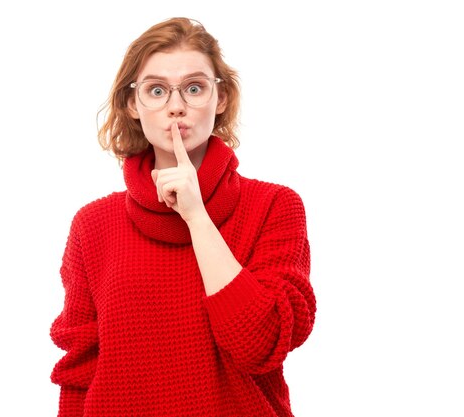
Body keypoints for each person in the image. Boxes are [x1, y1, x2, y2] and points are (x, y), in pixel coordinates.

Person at [50, 17, 317, 417]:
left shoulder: (275, 206)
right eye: (156, 90)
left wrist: (196, 216)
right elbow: (80, 372)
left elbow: (258, 343)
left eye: (194, 88)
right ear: (132, 104)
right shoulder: (93, 225)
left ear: (221, 98)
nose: (176, 106)